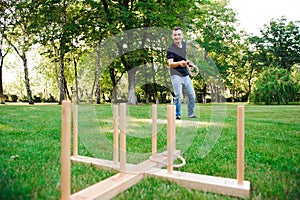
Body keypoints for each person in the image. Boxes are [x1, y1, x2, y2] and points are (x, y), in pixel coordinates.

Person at [167, 26, 196, 120]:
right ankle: (177, 114)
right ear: (172, 36)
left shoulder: (184, 45)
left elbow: (183, 58)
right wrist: (180, 63)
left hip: (185, 74)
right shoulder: (170, 48)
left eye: (179, 34)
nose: (177, 37)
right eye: (175, 35)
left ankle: (191, 114)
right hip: (175, 74)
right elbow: (170, 63)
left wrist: (189, 63)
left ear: (182, 35)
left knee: (192, 95)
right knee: (178, 95)